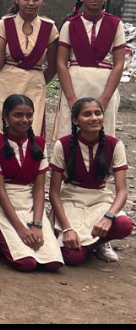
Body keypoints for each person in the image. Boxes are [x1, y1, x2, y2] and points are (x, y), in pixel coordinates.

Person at [0, 95, 63, 272]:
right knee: (26, 263)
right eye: (18, 115)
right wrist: (20, 228)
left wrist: (37, 224)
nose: (24, 120)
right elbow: (0, 190)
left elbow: (39, 188)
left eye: (29, 115)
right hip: (2, 205)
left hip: (30, 204)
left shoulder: (39, 143)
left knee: (52, 263)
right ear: (5, 116)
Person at [50, 98, 132, 265]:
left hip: (100, 200)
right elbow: (54, 192)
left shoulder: (114, 145)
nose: (94, 118)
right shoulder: (63, 144)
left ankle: (99, 242)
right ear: (75, 120)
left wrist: (108, 217)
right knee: (73, 258)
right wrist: (67, 228)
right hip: (71, 200)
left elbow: (122, 191)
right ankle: (85, 243)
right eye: (87, 114)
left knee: (124, 225)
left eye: (98, 113)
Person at [54, 0, 127, 140]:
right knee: (71, 132)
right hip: (75, 85)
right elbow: (61, 62)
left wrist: (105, 99)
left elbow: (119, 64)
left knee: (103, 134)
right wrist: (71, 98)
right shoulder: (69, 24)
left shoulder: (116, 24)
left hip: (104, 85)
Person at [0, 0, 58, 138]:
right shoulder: (5, 23)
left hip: (34, 86)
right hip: (5, 84)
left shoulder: (49, 27)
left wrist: (38, 81)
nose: (31, 3)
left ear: (42, 1)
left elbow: (53, 66)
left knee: (31, 134)